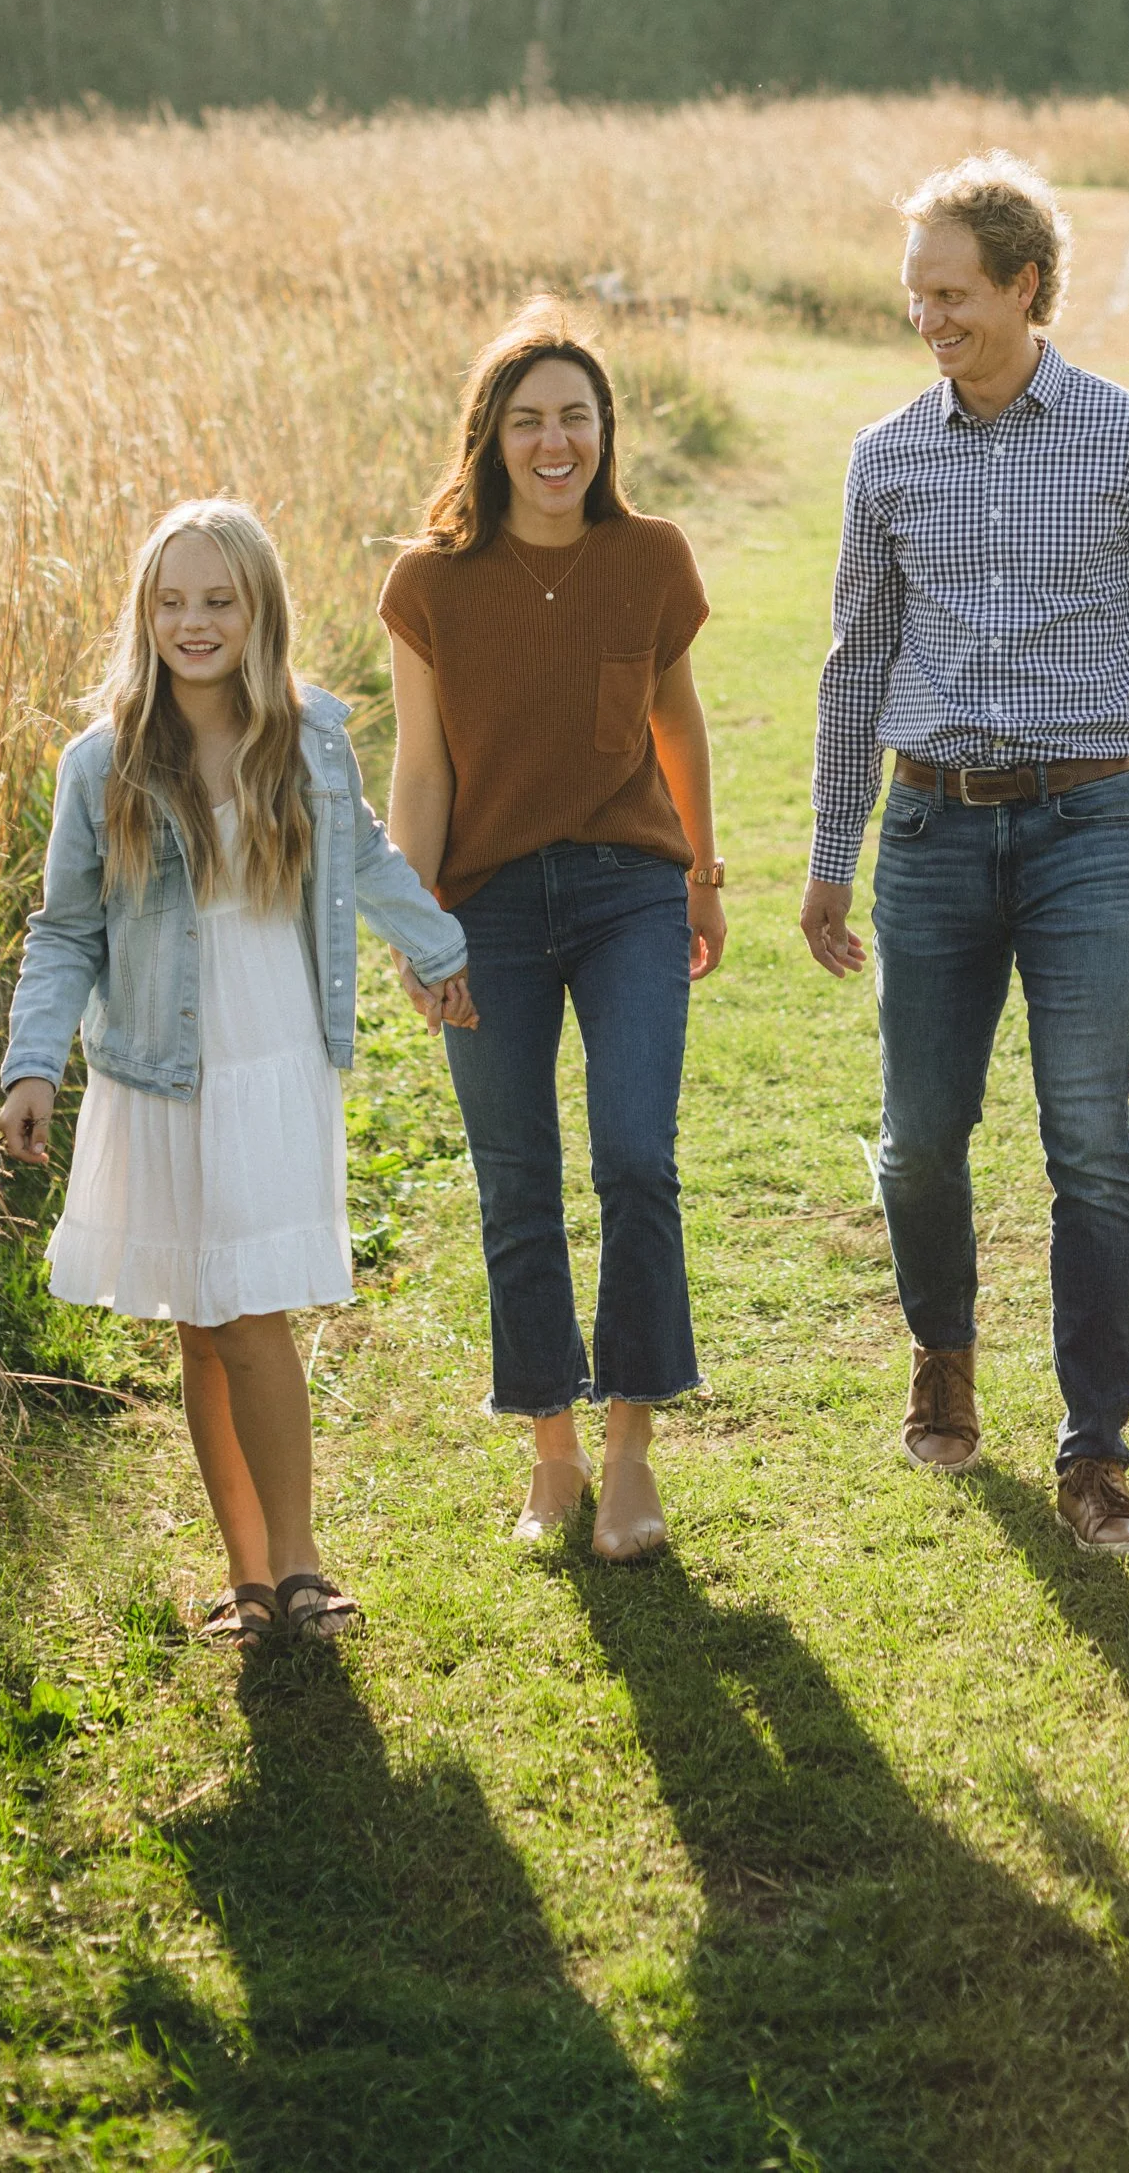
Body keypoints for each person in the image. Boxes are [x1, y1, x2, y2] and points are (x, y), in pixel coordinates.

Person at [799, 152, 1129, 1555]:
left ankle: (1096, 1458)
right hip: (933, 829)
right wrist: (834, 849)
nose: (929, 318)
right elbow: (852, 664)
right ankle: (941, 1356)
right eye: (914, 297)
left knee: (1091, 1145)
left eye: (952, 292)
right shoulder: (884, 458)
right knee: (920, 1141)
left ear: (1022, 285)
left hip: (1084, 830)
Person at [0, 498, 470, 1645]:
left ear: (258, 608)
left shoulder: (304, 736)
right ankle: (249, 1577)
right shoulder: (102, 758)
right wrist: (32, 1066)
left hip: (268, 1051)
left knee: (250, 1311)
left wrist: (439, 945)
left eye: (218, 599)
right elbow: (65, 930)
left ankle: (304, 1566)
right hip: (156, 1065)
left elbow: (361, 851)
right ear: (142, 612)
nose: (192, 622)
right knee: (199, 1322)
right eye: (171, 601)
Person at [380, 303, 724, 1564]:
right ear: (491, 436)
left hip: (631, 886)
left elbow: (678, 726)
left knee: (636, 1154)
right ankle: (554, 1451)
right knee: (516, 1177)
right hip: (487, 911)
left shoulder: (650, 555)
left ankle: (631, 1448)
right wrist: (420, 929)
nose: (554, 440)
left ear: (604, 430)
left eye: (575, 415)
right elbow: (419, 778)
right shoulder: (429, 583)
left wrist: (704, 874)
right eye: (527, 419)